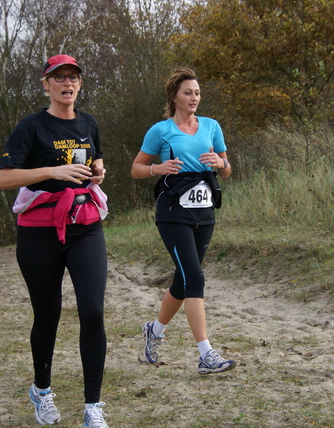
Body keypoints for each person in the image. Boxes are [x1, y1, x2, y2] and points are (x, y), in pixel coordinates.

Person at [0, 54, 110, 427]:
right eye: (58, 77)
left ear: (79, 84)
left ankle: (92, 406)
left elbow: (96, 162)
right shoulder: (31, 127)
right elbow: (3, 179)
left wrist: (97, 171)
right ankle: (41, 390)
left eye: (73, 77)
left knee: (92, 310)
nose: (67, 82)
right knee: (48, 316)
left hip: (85, 225)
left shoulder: (89, 123)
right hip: (39, 231)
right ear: (46, 85)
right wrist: (52, 170)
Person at [131, 67, 237, 375]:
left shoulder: (211, 126)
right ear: (174, 97)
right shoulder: (161, 130)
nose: (194, 98)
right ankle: (206, 354)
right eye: (188, 92)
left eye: (198, 93)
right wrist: (158, 168)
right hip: (173, 212)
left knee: (184, 280)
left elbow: (227, 169)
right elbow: (136, 168)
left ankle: (155, 331)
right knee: (195, 278)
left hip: (204, 211)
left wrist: (222, 163)